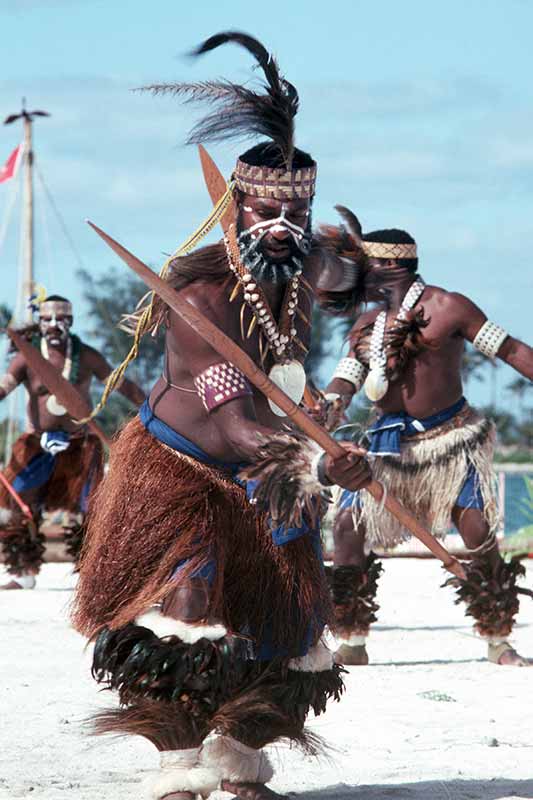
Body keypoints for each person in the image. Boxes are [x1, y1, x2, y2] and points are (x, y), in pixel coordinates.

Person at [72, 33, 371, 800]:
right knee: (188, 602)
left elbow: (346, 274)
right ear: (233, 209)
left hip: (270, 469)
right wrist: (318, 458)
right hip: (186, 465)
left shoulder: (299, 275)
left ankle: (239, 757)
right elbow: (234, 419)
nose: (283, 225)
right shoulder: (200, 300)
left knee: (290, 628)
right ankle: (176, 764)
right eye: (267, 210)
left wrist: (360, 270)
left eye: (295, 212)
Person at [317, 209, 533, 668]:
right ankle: (352, 638)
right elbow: (345, 383)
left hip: (451, 442)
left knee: (476, 530)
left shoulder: (450, 307)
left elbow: (511, 350)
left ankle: (496, 638)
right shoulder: (365, 327)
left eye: (361, 267)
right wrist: (328, 406)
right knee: (347, 530)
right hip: (386, 445)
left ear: (387, 267)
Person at [0, 295, 144, 589]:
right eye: (48, 320)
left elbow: (121, 385)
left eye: (60, 320)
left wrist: (151, 407)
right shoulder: (26, 357)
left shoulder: (87, 356)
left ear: (71, 322)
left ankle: (92, 575)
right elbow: (5, 386)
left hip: (81, 443)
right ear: (40, 324)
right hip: (36, 444)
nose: (54, 326)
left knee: (91, 506)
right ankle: (23, 572)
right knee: (19, 501)